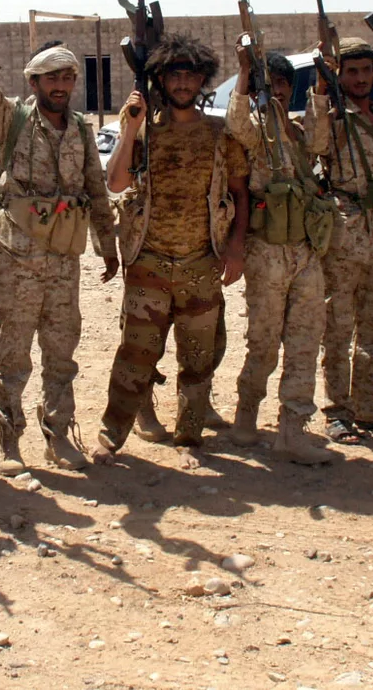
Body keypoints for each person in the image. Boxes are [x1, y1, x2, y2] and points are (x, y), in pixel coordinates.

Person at [0, 0, 117, 474]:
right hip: (17, 258)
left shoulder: (82, 131)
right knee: (12, 351)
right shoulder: (13, 119)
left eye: (68, 77)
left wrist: (107, 245)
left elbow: (96, 189)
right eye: (53, 78)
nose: (62, 85)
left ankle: (59, 437)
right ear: (34, 83)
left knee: (62, 351)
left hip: (64, 259)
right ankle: (9, 440)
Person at [92, 34, 248, 469]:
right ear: (160, 79)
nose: (182, 82)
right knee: (135, 355)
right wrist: (131, 125)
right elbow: (117, 182)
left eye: (190, 74)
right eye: (173, 74)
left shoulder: (221, 133)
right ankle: (112, 435)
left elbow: (239, 192)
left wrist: (235, 249)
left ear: (202, 80)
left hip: (202, 261)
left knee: (198, 360)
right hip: (149, 261)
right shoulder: (146, 131)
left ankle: (189, 438)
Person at [227, 48, 335, 464]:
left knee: (306, 339)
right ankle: (246, 414)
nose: (274, 92)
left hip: (305, 249)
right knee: (264, 341)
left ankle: (292, 428)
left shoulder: (294, 131)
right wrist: (242, 72)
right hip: (267, 251)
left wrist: (322, 91)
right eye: (266, 85)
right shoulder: (254, 131)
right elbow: (236, 121)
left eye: (281, 85)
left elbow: (321, 141)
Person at [308, 38, 373, 442]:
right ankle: (337, 411)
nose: (362, 78)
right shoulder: (332, 117)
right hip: (343, 235)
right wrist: (320, 83)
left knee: (372, 330)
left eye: (367, 71)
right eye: (352, 72)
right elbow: (313, 144)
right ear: (339, 75)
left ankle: (370, 408)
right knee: (337, 328)